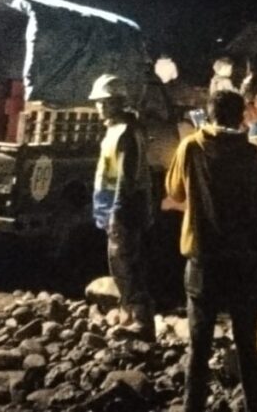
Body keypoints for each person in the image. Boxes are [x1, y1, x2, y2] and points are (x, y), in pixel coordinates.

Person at [166, 89, 257, 412]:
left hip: (203, 263)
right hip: (245, 264)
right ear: (240, 117)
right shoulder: (252, 156)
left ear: (209, 114)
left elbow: (174, 191)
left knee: (198, 349)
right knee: (247, 347)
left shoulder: (191, 147)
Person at [89, 73, 156, 340]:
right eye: (99, 101)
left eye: (105, 101)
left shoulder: (127, 132)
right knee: (120, 265)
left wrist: (116, 212)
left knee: (127, 265)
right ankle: (129, 315)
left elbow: (126, 179)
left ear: (117, 102)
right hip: (114, 209)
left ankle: (140, 320)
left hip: (124, 210)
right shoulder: (115, 129)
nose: (100, 106)